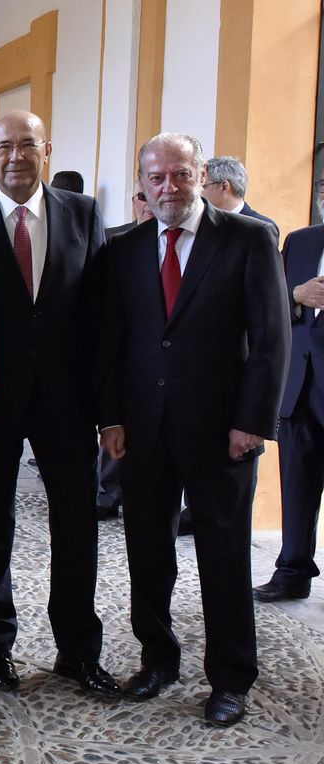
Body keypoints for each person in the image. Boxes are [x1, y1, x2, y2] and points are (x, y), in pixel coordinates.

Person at [96, 132, 288, 728]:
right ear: (143, 183)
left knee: (223, 556)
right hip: (144, 433)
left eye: (179, 175)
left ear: (200, 174)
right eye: (156, 178)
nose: (168, 188)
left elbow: (271, 340)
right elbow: (110, 344)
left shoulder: (248, 239)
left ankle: (230, 677)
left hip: (221, 433)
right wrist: (111, 418)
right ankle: (158, 660)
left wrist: (251, 424)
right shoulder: (121, 248)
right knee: (147, 553)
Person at [0, 110, 121, 698]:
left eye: (28, 145)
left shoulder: (83, 214)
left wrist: (110, 410)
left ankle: (78, 648)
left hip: (68, 401)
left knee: (76, 525)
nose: (17, 156)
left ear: (46, 149)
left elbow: (101, 317)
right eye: (5, 146)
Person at [254, 179, 324, 603]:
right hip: (299, 386)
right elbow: (268, 299)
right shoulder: (300, 242)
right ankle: (292, 571)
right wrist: (296, 294)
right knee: (297, 485)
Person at [97, 191, 157, 521]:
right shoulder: (114, 242)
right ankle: (107, 493)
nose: (149, 202)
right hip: (125, 369)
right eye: (142, 194)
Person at [204, 155, 278, 234]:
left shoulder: (262, 228)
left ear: (224, 187)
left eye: (203, 186)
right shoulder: (204, 223)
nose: (198, 192)